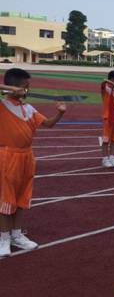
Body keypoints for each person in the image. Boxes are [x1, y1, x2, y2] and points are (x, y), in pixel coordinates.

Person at [0, 68, 66, 257]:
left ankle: (16, 235)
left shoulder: (28, 108)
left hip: (27, 156)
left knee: (22, 198)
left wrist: (60, 113)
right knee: (6, 199)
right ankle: (4, 239)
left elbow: (48, 124)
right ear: (14, 86)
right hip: (7, 156)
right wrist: (9, 89)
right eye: (25, 86)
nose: (28, 89)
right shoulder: (3, 105)